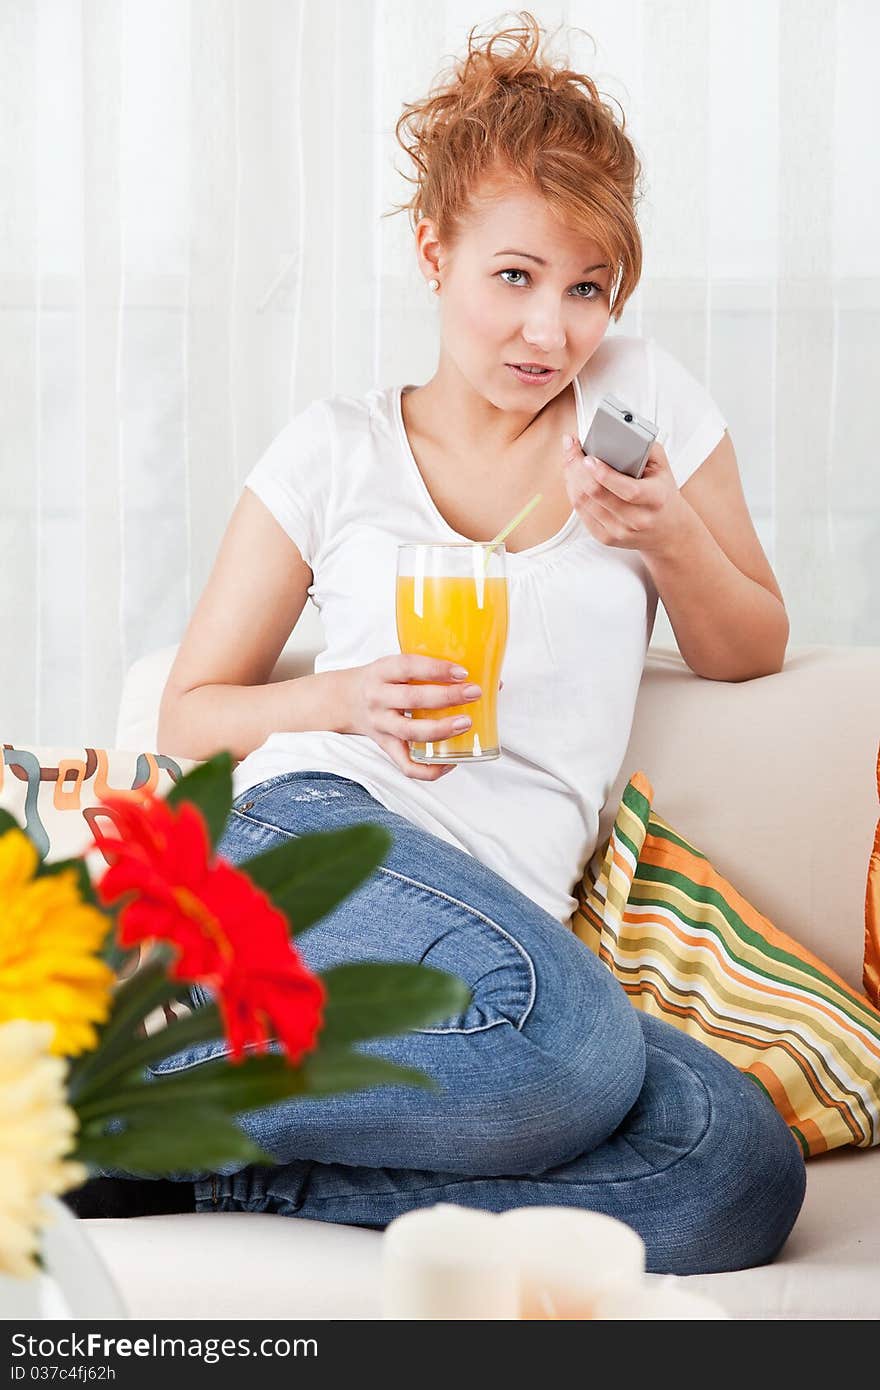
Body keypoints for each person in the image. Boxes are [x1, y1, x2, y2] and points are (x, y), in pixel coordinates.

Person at [68, 14, 805, 1275]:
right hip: (315, 835)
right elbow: (188, 712)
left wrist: (668, 532)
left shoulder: (642, 407)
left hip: (502, 927)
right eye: (513, 277)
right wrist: (341, 696)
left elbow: (750, 647)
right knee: (569, 1053)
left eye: (585, 289)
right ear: (433, 253)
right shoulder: (333, 450)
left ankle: (174, 1142)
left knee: (733, 1173)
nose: (548, 331)